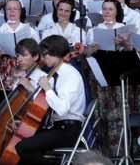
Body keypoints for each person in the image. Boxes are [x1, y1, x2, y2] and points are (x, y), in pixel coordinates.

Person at [14, 35, 87, 164]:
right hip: (56, 127)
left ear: (55, 53)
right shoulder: (56, 74)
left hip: (68, 129)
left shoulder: (69, 73)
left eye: (45, 54)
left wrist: (47, 89)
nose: (42, 58)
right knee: (20, 146)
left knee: (23, 148)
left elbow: (62, 109)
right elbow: (47, 105)